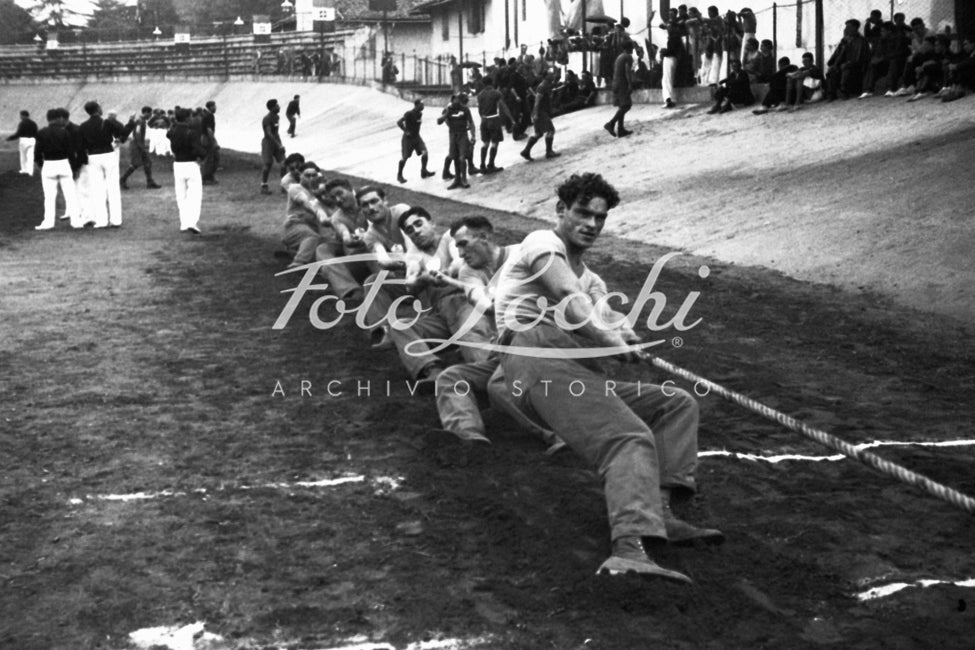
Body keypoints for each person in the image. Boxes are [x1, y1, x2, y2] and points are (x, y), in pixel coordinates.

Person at [492, 172, 723, 580]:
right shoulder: (541, 244)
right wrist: (606, 337)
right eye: (583, 213)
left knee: (675, 404)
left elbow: (607, 315)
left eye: (600, 217)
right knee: (627, 438)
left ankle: (660, 511)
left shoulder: (592, 278)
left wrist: (626, 337)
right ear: (561, 210)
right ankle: (630, 550)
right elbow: (568, 296)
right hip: (535, 358)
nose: (592, 224)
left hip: (573, 366)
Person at [431, 216, 557, 448]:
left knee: (498, 386)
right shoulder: (469, 271)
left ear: (485, 237)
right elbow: (483, 303)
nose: (459, 253)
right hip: (507, 349)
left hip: (541, 342)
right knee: (450, 377)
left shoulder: (522, 254)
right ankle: (468, 437)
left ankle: (558, 434)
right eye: (457, 246)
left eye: (463, 244)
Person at [78, 101, 136, 228]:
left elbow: (81, 146)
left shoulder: (83, 126)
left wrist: (84, 161)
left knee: (97, 189)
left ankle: (101, 221)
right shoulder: (107, 122)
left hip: (92, 156)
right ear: (98, 109)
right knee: (113, 187)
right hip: (108, 155)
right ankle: (116, 220)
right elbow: (123, 133)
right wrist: (131, 121)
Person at [33, 108, 81, 230]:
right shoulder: (64, 132)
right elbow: (70, 152)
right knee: (70, 195)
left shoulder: (41, 132)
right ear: (58, 118)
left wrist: (41, 164)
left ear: (48, 119)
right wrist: (74, 167)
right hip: (64, 163)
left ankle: (48, 222)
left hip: (49, 164)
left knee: (49, 197)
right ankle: (76, 221)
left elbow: (37, 152)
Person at [282, 162, 334, 268]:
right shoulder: (295, 188)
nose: (311, 178)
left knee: (331, 243)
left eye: (314, 175)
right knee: (311, 237)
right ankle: (298, 263)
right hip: (295, 225)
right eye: (307, 175)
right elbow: (306, 202)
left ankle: (297, 252)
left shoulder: (319, 193)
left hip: (313, 229)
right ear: (300, 176)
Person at [166, 107, 205, 234]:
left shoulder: (173, 131)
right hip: (191, 163)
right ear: (187, 118)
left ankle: (184, 223)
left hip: (178, 164)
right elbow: (198, 149)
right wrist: (203, 156)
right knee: (194, 194)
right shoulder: (191, 132)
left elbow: (168, 134)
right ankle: (192, 222)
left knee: (181, 195)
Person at [520, 68, 561, 161]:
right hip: (540, 112)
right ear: (546, 76)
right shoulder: (542, 86)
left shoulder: (547, 85)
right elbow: (537, 101)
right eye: (551, 74)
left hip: (542, 112)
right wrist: (536, 113)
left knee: (538, 133)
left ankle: (526, 151)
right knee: (550, 130)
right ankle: (549, 151)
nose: (553, 75)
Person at [437, 94, 476, 190]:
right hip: (452, 135)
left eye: (458, 100)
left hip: (463, 134)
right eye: (454, 100)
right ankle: (457, 179)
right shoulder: (448, 109)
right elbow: (439, 121)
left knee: (462, 158)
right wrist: (447, 114)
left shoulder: (465, 109)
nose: (456, 102)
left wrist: (473, 136)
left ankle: (464, 179)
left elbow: (471, 123)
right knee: (454, 157)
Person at [475, 77, 514, 173]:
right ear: (492, 82)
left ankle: (482, 165)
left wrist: (483, 118)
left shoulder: (480, 95)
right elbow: (503, 106)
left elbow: (479, 110)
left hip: (484, 120)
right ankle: (491, 164)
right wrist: (511, 119)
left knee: (485, 143)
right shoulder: (496, 93)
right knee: (495, 143)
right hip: (494, 118)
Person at [825, 19, 870, 100]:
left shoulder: (861, 41)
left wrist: (849, 63)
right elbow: (836, 56)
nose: (846, 29)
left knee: (845, 67)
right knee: (832, 69)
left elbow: (861, 58)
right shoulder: (844, 41)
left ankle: (844, 92)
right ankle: (831, 94)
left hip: (856, 67)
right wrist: (834, 64)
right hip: (843, 65)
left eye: (848, 27)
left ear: (855, 28)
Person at [120, 106, 162, 190]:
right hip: (136, 146)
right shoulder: (140, 121)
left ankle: (150, 182)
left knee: (148, 163)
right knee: (135, 164)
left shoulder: (142, 121)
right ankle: (122, 179)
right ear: (146, 112)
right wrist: (141, 147)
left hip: (139, 145)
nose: (150, 116)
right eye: (150, 114)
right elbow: (138, 134)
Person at [396, 99, 436, 183]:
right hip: (408, 139)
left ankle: (423, 171)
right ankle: (399, 175)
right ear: (417, 105)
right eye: (422, 104)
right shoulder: (409, 114)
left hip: (417, 137)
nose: (423, 106)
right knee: (404, 158)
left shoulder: (420, 114)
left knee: (425, 152)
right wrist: (406, 131)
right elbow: (399, 122)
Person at [605, 39, 636, 137]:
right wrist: (630, 84)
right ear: (629, 48)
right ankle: (611, 123)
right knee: (626, 105)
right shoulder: (628, 57)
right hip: (622, 83)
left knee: (622, 105)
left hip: (616, 83)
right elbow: (627, 71)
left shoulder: (620, 56)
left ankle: (620, 129)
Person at [659, 9, 684, 110]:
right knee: (668, 79)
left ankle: (668, 100)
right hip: (672, 58)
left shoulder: (673, 37)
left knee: (666, 80)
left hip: (670, 58)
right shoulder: (675, 36)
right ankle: (668, 99)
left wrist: (664, 52)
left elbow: (671, 51)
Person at [260, 99, 286, 195]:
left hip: (277, 141)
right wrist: (278, 145)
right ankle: (264, 186)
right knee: (267, 165)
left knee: (284, 163)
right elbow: (269, 133)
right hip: (268, 143)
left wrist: (280, 143)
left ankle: (284, 185)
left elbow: (275, 133)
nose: (279, 107)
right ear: (272, 108)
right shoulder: (267, 118)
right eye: (277, 105)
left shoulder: (277, 117)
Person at [7, 110, 38, 176]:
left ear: (23, 115)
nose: (20, 117)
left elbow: (18, 133)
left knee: (23, 156)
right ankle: (30, 172)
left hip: (24, 140)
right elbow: (36, 133)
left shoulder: (22, 123)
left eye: (21, 115)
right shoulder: (33, 123)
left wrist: (9, 138)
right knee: (30, 156)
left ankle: (24, 170)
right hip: (32, 140)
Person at [201, 100, 220, 185]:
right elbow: (209, 129)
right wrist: (213, 141)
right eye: (214, 106)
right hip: (207, 138)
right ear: (210, 107)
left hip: (206, 137)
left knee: (215, 157)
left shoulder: (208, 115)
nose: (215, 108)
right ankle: (206, 178)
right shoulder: (209, 116)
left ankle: (210, 176)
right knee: (210, 158)